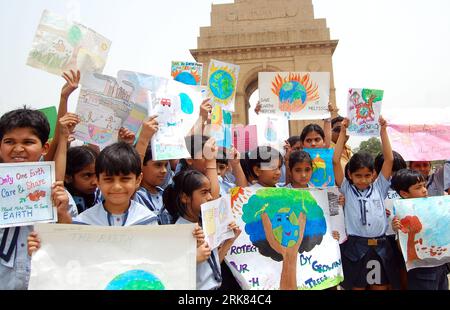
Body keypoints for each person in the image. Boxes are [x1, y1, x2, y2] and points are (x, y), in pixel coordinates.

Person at [0, 108, 75, 290]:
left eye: (28, 142)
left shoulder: (58, 193)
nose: (18, 149)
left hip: (42, 279)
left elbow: (73, 243)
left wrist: (62, 213)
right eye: (9, 141)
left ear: (45, 147)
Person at [333, 117, 395, 290]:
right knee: (357, 287)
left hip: (380, 246)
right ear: (350, 175)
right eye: (358, 175)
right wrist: (343, 132)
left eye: (367, 175)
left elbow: (389, 160)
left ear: (374, 174)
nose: (363, 180)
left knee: (380, 287)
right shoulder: (346, 189)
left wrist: (383, 131)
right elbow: (336, 161)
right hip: (355, 247)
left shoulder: (379, 187)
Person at [163, 169, 241, 290]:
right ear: (185, 198)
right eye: (204, 192)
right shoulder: (180, 231)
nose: (210, 197)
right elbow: (172, 274)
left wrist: (229, 241)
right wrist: (193, 258)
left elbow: (212, 267)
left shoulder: (206, 223)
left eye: (209, 192)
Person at [391, 169, 449, 290]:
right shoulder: (401, 215)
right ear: (405, 193)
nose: (424, 190)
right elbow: (401, 249)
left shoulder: (434, 207)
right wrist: (398, 230)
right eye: (418, 187)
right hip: (422, 270)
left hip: (441, 266)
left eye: (424, 185)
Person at [133, 116, 172, 224]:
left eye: (165, 165)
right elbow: (134, 167)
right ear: (141, 166)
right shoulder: (134, 195)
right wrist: (144, 138)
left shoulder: (166, 195)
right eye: (158, 165)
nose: (164, 170)